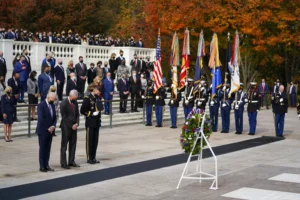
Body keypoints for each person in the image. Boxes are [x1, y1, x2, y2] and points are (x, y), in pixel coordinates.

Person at [80, 87, 103, 164]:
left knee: (95, 141)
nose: (99, 91)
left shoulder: (97, 98)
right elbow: (82, 110)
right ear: (93, 90)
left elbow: (100, 107)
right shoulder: (87, 98)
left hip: (97, 122)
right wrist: (90, 113)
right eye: (97, 90)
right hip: (90, 121)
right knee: (90, 141)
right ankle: (89, 158)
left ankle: (93, 157)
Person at [37, 92, 57, 172]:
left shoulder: (52, 105)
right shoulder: (41, 105)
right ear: (48, 97)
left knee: (48, 149)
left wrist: (53, 126)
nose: (53, 101)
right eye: (53, 99)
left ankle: (46, 164)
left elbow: (55, 117)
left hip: (50, 131)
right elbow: (41, 119)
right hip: (43, 130)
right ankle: (42, 166)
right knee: (42, 148)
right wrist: (48, 128)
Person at [60, 89, 80, 169]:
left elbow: (77, 114)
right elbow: (64, 116)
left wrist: (77, 123)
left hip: (74, 127)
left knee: (73, 144)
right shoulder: (64, 103)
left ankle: (71, 161)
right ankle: (63, 162)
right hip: (66, 127)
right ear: (70, 96)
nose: (76, 99)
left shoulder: (75, 102)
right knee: (64, 145)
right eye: (75, 97)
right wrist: (71, 125)